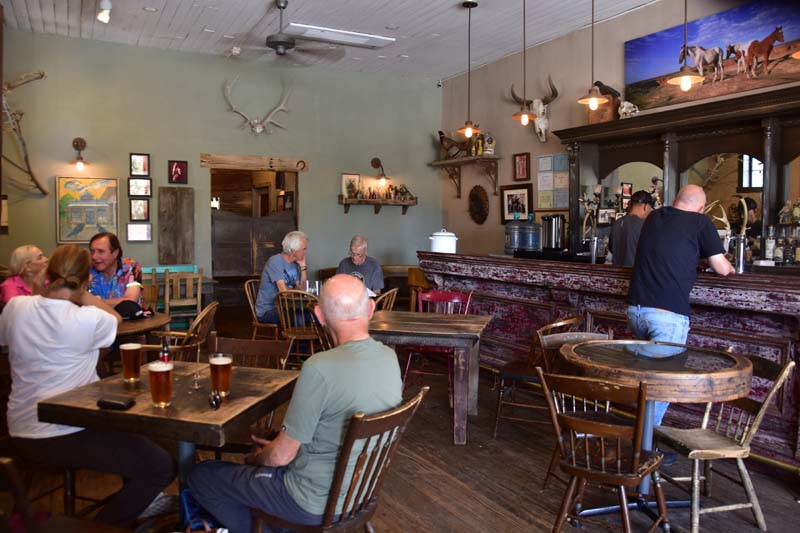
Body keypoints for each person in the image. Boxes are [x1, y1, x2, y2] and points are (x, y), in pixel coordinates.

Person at [189, 274, 402, 532]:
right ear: (370, 308)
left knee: (202, 475)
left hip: (309, 503)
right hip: (360, 495)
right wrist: (278, 449)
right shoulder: (389, 358)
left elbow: (280, 456)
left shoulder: (320, 368)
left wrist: (258, 458)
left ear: (319, 315)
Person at [0, 245, 175, 529]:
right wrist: (81, 294)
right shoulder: (90, 318)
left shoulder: (16, 308)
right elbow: (115, 318)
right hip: (66, 432)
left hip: (19, 428)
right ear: (85, 280)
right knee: (161, 465)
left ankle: (140, 504)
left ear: (49, 273)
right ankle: (102, 525)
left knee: (131, 431)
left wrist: (46, 288)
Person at [627, 184, 735, 425]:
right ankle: (644, 441)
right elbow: (721, 268)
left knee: (649, 382)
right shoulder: (701, 222)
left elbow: (672, 249)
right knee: (662, 386)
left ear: (676, 200)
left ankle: (639, 436)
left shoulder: (654, 216)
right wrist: (730, 267)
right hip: (667, 316)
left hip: (636, 312)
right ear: (701, 207)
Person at [255, 230, 309, 324]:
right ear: (293, 250)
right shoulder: (275, 261)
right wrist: (295, 290)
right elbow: (283, 292)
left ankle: (304, 333)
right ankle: (297, 334)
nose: (305, 252)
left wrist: (303, 266)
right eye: (304, 249)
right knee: (300, 318)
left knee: (312, 314)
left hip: (287, 306)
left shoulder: (294, 264)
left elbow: (303, 290)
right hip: (268, 310)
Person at [88, 232, 142, 306]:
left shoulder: (130, 267)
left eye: (101, 251)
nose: (94, 256)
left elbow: (130, 301)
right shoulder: (87, 269)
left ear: (115, 253)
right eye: (92, 251)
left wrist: (98, 302)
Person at [608, 190, 654, 267]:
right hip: (634, 272)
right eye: (650, 209)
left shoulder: (617, 223)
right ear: (645, 207)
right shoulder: (645, 225)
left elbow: (611, 248)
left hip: (617, 272)